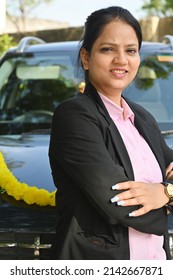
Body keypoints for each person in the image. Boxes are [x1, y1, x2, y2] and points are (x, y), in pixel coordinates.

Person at [49, 6, 173, 260]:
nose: (121, 60)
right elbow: (116, 203)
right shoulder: (74, 115)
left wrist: (164, 193)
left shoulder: (142, 118)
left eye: (130, 50)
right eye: (108, 49)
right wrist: (168, 196)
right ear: (86, 58)